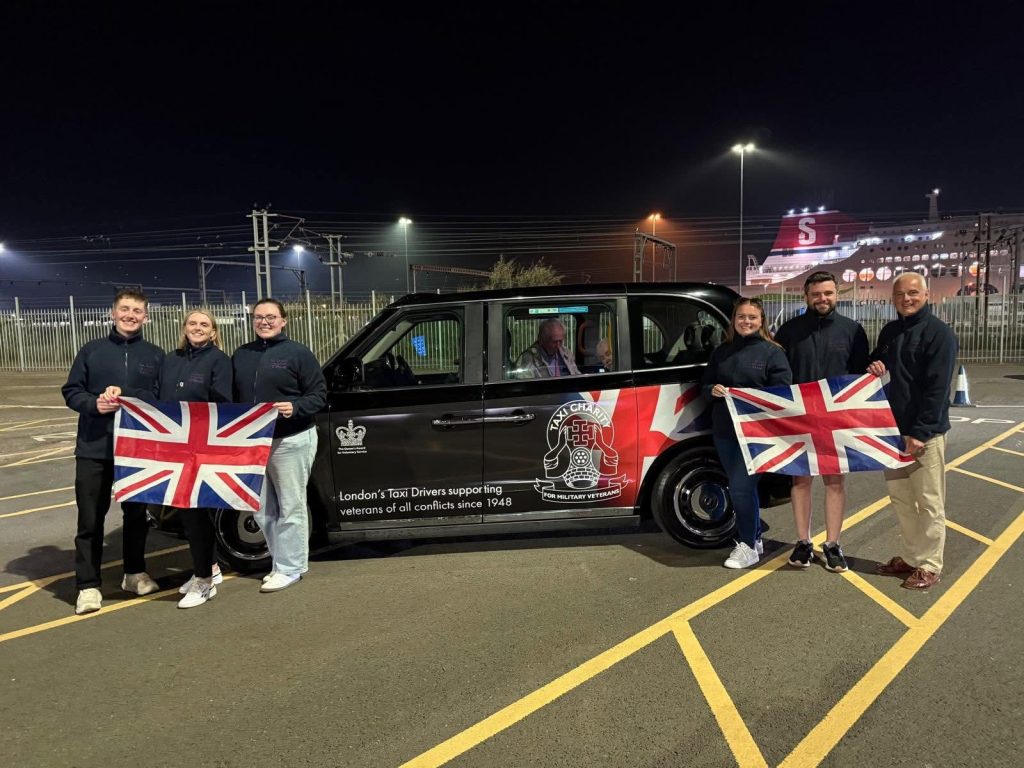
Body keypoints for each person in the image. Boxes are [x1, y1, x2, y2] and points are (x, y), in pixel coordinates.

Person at [62, 290, 164, 615]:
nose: (130, 315)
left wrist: (127, 394)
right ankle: (87, 585)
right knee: (90, 519)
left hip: (137, 449)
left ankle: (134, 573)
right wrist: (94, 404)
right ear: (113, 313)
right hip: (94, 448)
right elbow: (71, 391)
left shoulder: (155, 355)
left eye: (137, 310)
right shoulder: (91, 351)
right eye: (125, 309)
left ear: (145, 316)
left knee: (136, 516)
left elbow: (159, 396)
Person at [774, 271, 869, 573]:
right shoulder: (788, 332)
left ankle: (833, 544)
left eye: (827, 293)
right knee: (800, 480)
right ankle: (803, 542)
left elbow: (860, 377)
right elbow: (776, 374)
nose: (822, 299)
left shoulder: (853, 331)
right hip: (798, 417)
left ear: (837, 294)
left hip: (836, 419)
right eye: (816, 294)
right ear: (806, 296)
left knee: (835, 481)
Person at [867, 273, 957, 589]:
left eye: (913, 293)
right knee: (902, 499)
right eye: (900, 294)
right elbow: (878, 360)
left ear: (927, 294)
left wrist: (920, 432)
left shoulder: (939, 334)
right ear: (893, 298)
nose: (907, 299)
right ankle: (911, 556)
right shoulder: (891, 332)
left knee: (929, 501)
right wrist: (875, 363)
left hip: (924, 435)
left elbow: (938, 389)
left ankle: (930, 564)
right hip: (893, 433)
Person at [232, 299, 326, 593]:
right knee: (261, 510)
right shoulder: (242, 354)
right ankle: (279, 562)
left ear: (283, 321)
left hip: (291, 439)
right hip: (254, 443)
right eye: (259, 317)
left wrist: (295, 407)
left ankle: (291, 567)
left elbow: (319, 394)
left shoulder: (298, 353)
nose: (265, 322)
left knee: (290, 505)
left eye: (271, 317)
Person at [702, 298, 792, 569]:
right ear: (734, 320)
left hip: (758, 433)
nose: (746, 321)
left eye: (752, 317)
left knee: (740, 488)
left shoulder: (773, 352)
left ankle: (748, 547)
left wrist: (754, 397)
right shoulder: (721, 351)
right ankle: (755, 535)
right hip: (725, 430)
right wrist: (711, 390)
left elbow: (782, 391)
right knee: (743, 488)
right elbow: (705, 384)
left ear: (761, 320)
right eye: (741, 316)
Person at [161, 310, 233, 608]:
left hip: (202, 448)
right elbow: (156, 396)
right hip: (175, 447)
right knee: (184, 513)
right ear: (184, 328)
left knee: (197, 513)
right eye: (193, 323)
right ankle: (210, 568)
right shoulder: (170, 359)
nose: (198, 328)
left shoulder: (219, 361)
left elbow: (223, 404)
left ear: (214, 332)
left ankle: (204, 582)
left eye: (204, 324)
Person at [515, 318, 581, 377]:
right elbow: (523, 383)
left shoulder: (567, 354)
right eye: (554, 342)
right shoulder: (528, 358)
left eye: (560, 341)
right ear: (542, 340)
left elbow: (577, 376)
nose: (558, 346)